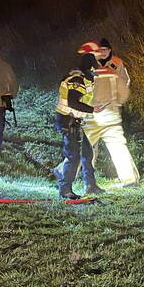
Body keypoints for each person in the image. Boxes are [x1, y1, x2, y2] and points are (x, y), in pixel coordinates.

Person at [81, 38, 140, 187]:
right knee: (116, 146)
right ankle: (129, 179)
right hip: (106, 112)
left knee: (86, 145)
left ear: (110, 50)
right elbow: (123, 89)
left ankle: (70, 175)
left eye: (106, 50)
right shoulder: (106, 71)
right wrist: (117, 101)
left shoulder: (111, 64)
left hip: (95, 113)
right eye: (100, 50)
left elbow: (125, 81)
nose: (103, 53)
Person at [52, 52, 105, 199]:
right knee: (73, 156)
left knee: (87, 153)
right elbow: (73, 102)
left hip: (75, 121)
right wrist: (93, 109)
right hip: (67, 122)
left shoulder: (84, 79)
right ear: (90, 69)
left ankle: (90, 185)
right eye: (95, 70)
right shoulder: (77, 80)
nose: (96, 74)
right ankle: (65, 189)